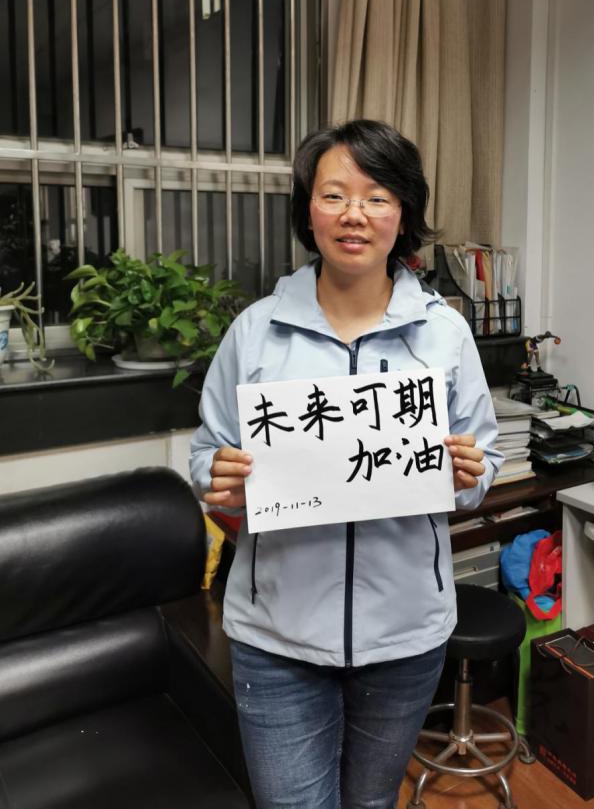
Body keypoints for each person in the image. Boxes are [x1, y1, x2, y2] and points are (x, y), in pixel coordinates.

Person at [189, 119, 502, 809]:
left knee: (371, 803)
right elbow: (208, 455)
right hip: (276, 637)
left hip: (405, 635)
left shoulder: (445, 333)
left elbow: (483, 466)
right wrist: (219, 479)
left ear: (403, 214)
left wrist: (468, 472)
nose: (354, 214)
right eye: (334, 195)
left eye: (377, 197)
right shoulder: (256, 331)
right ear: (308, 211)